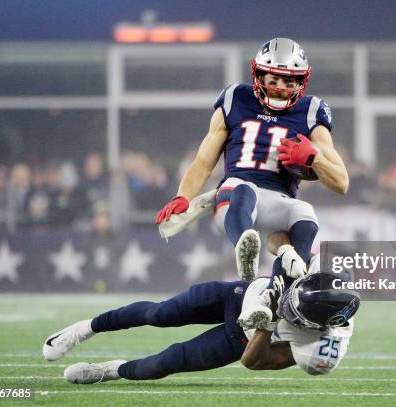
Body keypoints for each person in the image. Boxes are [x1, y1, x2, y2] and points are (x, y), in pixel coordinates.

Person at [42, 233, 359, 383]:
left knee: (164, 363)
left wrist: (267, 322)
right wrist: (286, 248)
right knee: (159, 313)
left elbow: (255, 362)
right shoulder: (319, 265)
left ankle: (109, 370)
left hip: (245, 339)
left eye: (295, 313)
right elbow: (278, 233)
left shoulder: (322, 350)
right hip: (239, 294)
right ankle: (85, 328)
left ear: (316, 326)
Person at [155, 38, 349, 282]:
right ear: (259, 75)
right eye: (274, 79)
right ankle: (244, 252)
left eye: (289, 81)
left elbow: (341, 183)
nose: (280, 87)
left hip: (276, 201)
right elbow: (204, 162)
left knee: (305, 213)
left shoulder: (311, 111)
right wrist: (183, 196)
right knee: (245, 189)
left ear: (301, 81)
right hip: (233, 199)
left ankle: (284, 290)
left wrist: (314, 158)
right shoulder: (236, 98)